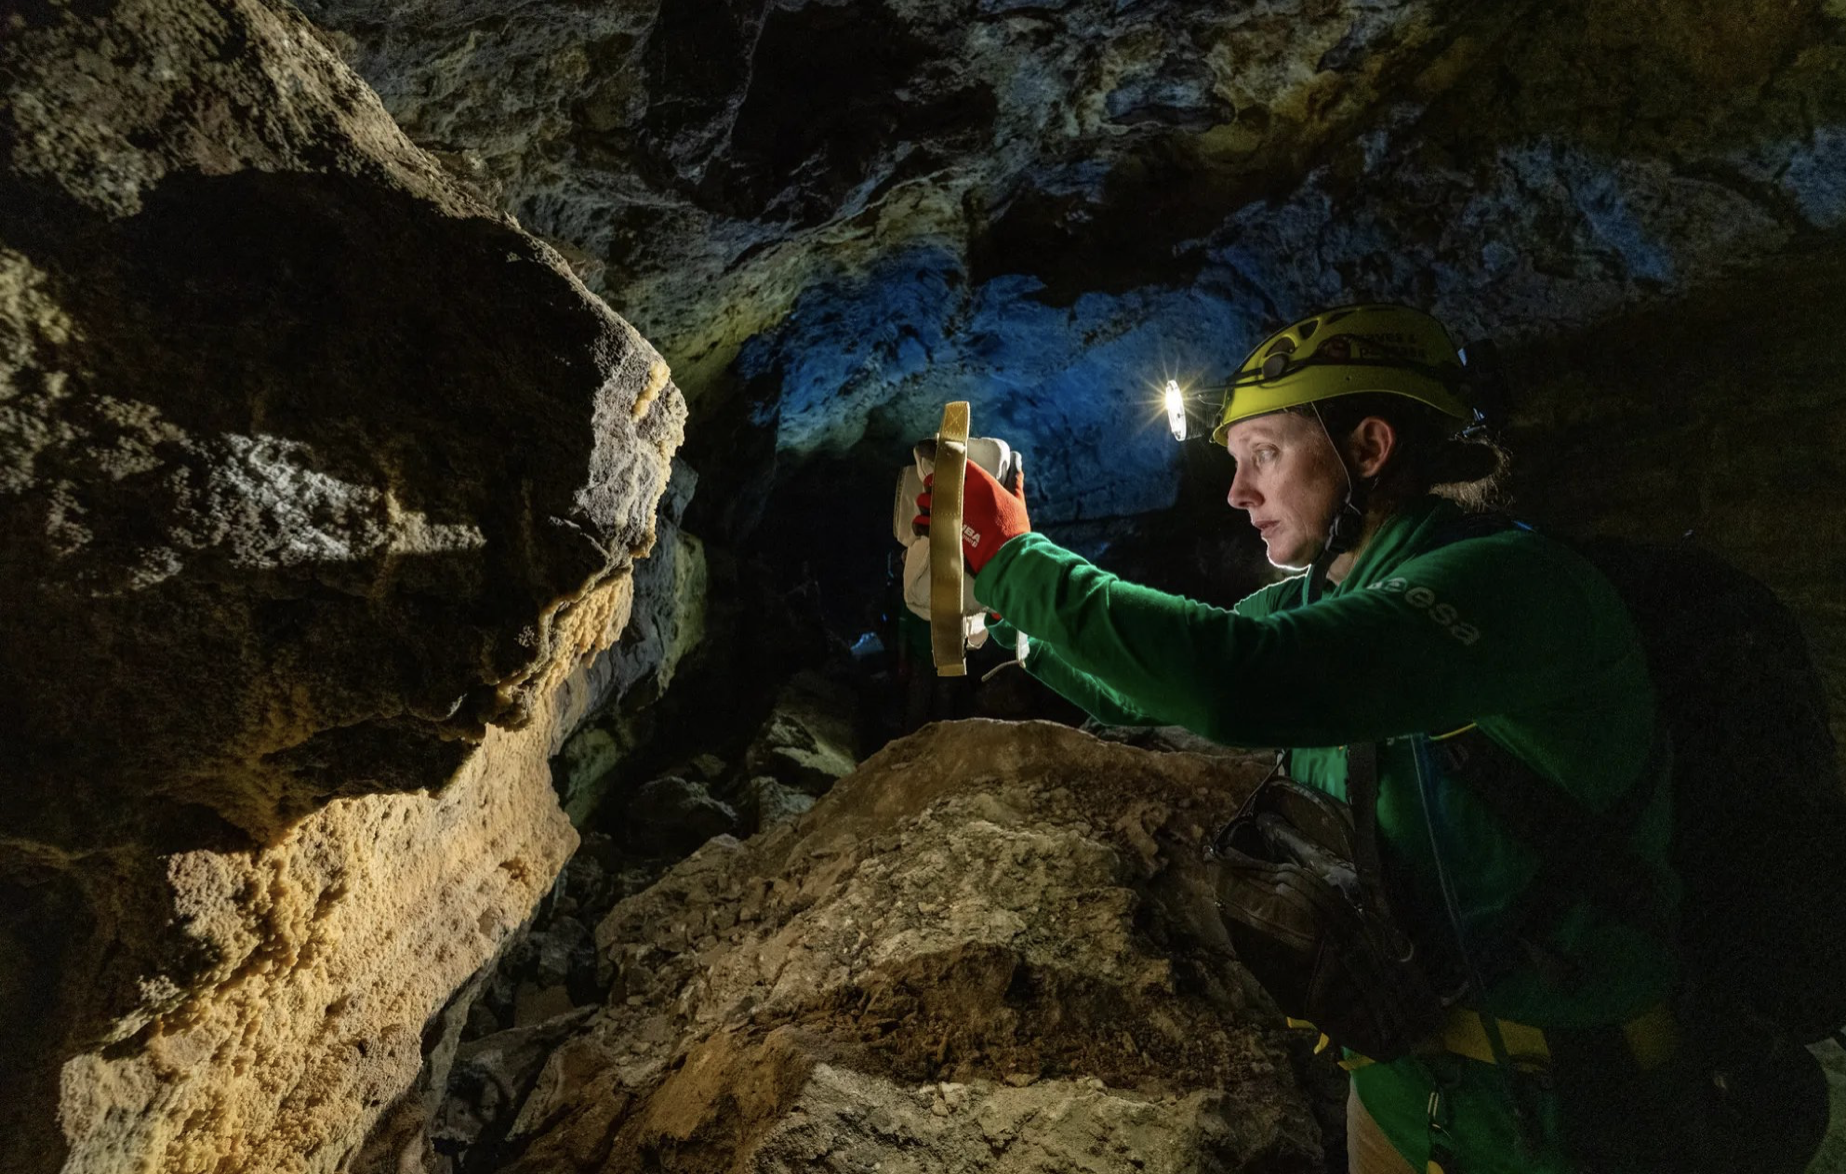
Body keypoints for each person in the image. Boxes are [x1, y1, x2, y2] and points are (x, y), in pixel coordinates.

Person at [920, 304, 1685, 1172]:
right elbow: (1153, 687)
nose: (1238, 493)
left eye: (1265, 456)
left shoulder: (1507, 584)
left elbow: (1241, 677)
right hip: (1402, 1087)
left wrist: (1018, 558)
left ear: (1367, 449)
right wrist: (1004, 618)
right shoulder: (1338, 589)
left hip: (1562, 1114)